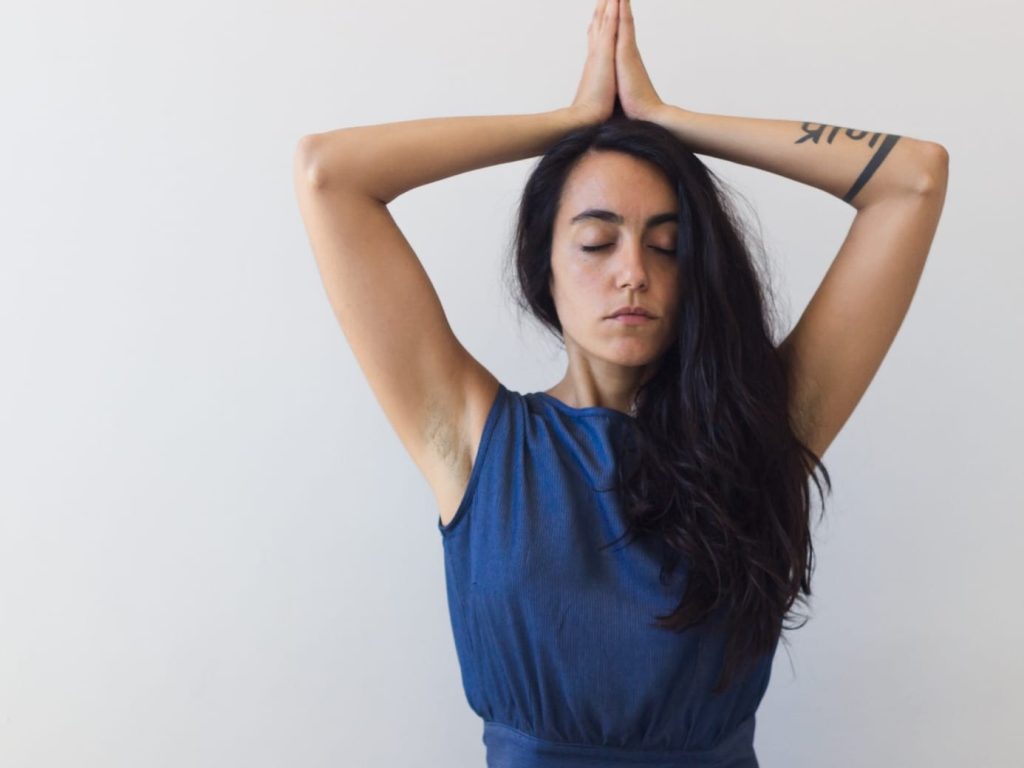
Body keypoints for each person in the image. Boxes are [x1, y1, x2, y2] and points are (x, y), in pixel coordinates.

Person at [292, 0, 949, 764]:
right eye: (597, 241)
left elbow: (914, 178)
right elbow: (328, 174)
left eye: (667, 246)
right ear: (543, 266)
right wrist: (568, 123)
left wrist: (669, 122)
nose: (633, 271)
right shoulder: (477, 442)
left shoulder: (757, 432)